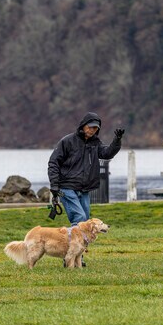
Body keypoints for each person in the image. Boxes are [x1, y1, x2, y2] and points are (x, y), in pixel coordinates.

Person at [48, 112, 124, 265]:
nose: (93, 130)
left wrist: (117, 141)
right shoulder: (67, 141)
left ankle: (72, 255)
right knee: (80, 219)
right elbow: (53, 163)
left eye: (96, 128)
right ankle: (76, 257)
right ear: (83, 125)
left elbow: (107, 153)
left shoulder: (95, 143)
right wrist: (55, 185)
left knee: (83, 222)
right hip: (66, 187)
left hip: (84, 189)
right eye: (91, 127)